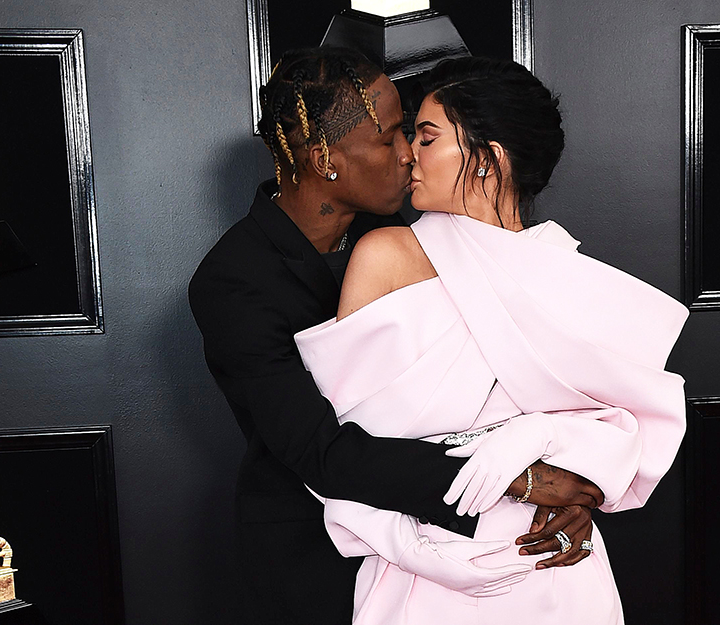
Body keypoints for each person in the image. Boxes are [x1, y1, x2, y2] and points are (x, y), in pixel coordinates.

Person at [188, 47, 604, 625]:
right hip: (316, 553)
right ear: (324, 158)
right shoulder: (234, 280)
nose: (408, 154)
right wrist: (522, 482)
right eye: (388, 139)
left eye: (411, 133)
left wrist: (579, 486)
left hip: (461, 547)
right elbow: (318, 450)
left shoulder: (405, 232)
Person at [292, 57, 689, 624]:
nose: (408, 154)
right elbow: (336, 451)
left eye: (427, 138)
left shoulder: (577, 280)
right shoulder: (386, 256)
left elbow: (635, 433)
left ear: (490, 158)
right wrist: (416, 550)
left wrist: (548, 436)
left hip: (553, 573)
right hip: (423, 569)